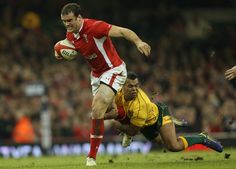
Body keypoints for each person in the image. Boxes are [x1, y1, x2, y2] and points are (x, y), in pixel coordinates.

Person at [57, 3, 151, 166]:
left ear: (79, 17)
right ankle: (130, 126)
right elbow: (66, 45)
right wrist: (58, 52)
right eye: (64, 21)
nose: (67, 24)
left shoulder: (94, 27)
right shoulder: (71, 34)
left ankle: (91, 157)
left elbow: (122, 31)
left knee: (97, 108)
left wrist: (139, 42)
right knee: (111, 112)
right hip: (96, 75)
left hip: (113, 69)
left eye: (70, 20)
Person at [105, 72, 223, 153]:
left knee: (173, 146)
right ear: (122, 86)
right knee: (162, 142)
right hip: (145, 123)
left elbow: (133, 130)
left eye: (136, 86)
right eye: (130, 86)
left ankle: (202, 138)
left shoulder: (141, 104)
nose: (134, 89)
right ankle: (172, 121)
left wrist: (114, 123)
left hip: (158, 116)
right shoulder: (116, 93)